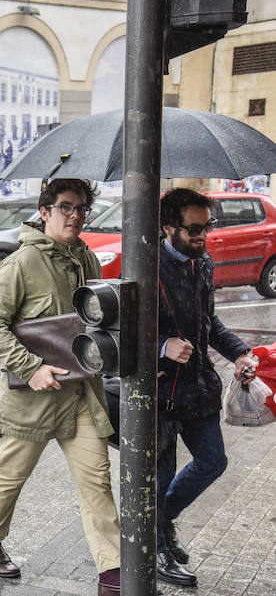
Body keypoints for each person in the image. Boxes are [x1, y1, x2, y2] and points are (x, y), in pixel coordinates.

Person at [0, 179, 121, 596]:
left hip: (80, 396)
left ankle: (111, 572)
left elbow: (95, 320)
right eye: (66, 207)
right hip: (35, 397)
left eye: (82, 209)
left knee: (97, 480)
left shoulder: (87, 260)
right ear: (45, 211)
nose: (75, 216)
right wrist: (31, 366)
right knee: (10, 476)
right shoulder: (21, 263)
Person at [155, 188, 257, 587]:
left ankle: (159, 525)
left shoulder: (203, 263)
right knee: (160, 476)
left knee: (213, 461)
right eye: (194, 229)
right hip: (160, 393)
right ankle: (157, 546)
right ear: (168, 228)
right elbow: (118, 333)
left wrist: (240, 354)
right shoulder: (147, 268)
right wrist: (163, 345)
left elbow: (209, 323)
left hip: (198, 387)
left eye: (207, 227)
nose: (203, 237)